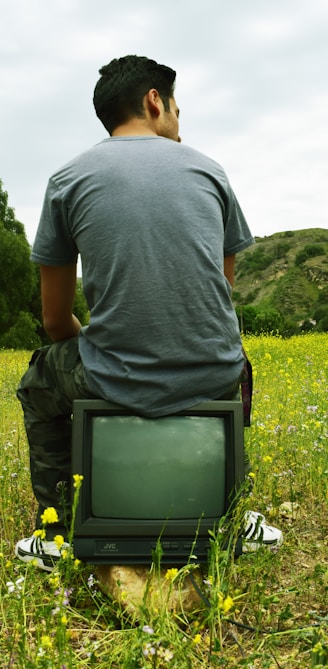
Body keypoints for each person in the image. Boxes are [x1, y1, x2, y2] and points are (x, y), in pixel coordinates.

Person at [15, 55, 282, 571]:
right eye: (177, 110)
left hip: (111, 374)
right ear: (155, 101)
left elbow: (54, 322)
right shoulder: (210, 170)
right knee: (237, 362)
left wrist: (104, 354)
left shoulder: (67, 179)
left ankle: (54, 532)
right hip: (216, 374)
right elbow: (222, 291)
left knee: (36, 382)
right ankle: (233, 512)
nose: (179, 128)